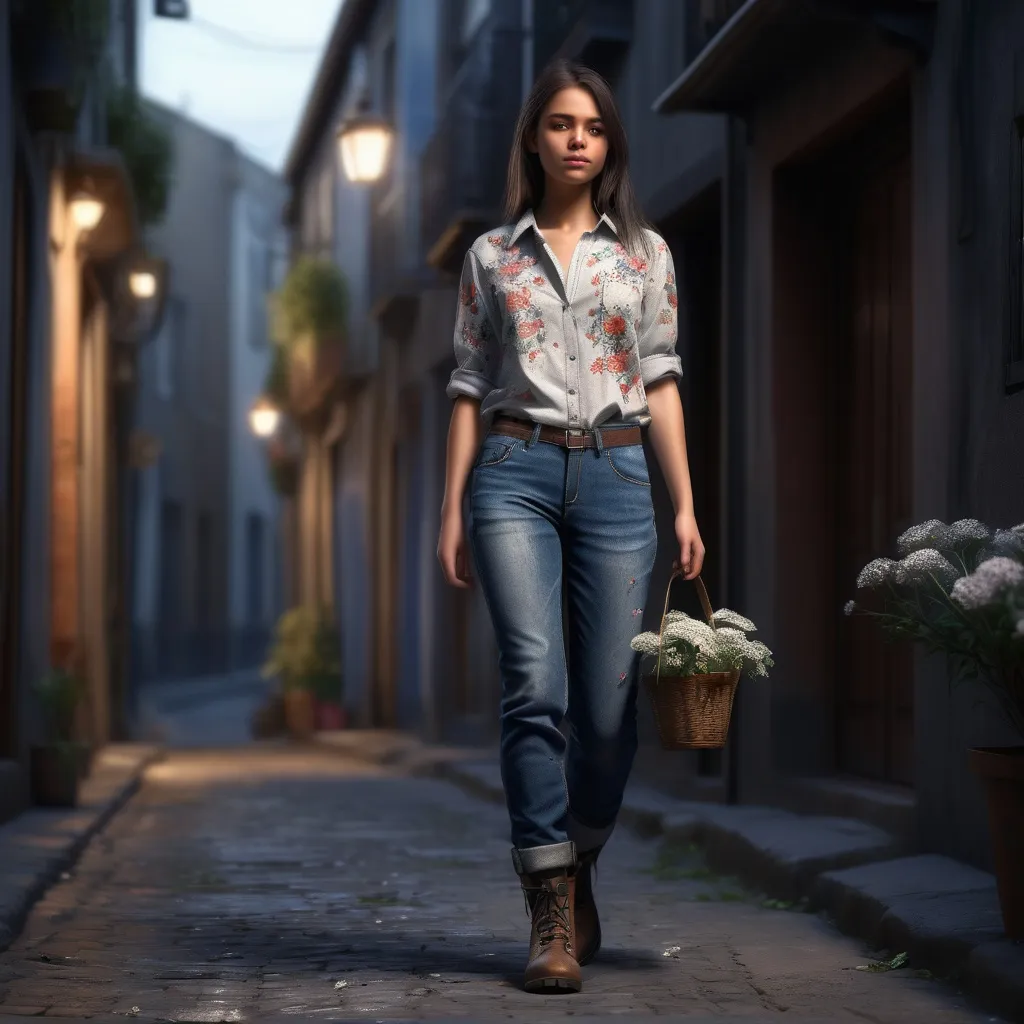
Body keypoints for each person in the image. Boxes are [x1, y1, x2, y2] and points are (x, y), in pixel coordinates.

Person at [436, 58, 705, 994]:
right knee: (532, 689)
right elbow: (469, 387)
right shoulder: (490, 258)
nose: (577, 137)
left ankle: (579, 853)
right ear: (534, 140)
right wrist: (452, 509)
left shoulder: (647, 256)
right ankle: (550, 911)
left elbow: (662, 379)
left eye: (591, 124)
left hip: (622, 475)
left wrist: (684, 502)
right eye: (558, 122)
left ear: (609, 141)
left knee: (605, 710)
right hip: (512, 475)